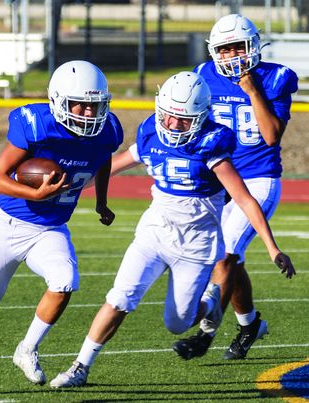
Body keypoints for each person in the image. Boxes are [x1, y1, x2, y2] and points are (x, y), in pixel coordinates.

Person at [48, 71, 295, 389]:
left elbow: (245, 200)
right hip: (154, 233)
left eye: (184, 119)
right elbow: (120, 161)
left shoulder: (212, 143)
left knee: (178, 323)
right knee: (120, 297)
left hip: (196, 244)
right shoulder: (151, 130)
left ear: (202, 116)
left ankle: (210, 306)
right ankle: (79, 367)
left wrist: (272, 247)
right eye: (170, 116)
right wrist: (75, 182)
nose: (174, 125)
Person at [0, 60, 123, 394]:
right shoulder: (38, 126)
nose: (88, 114)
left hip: (50, 229)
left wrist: (101, 201)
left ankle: (26, 348)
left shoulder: (108, 131)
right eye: (80, 105)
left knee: (65, 281)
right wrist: (35, 192)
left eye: (94, 106)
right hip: (8, 225)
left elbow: (104, 158)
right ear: (59, 101)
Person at [172, 14, 298, 361]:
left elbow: (272, 135)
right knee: (232, 260)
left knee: (224, 255)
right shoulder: (203, 75)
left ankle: (205, 333)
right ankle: (250, 324)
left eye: (236, 48)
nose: (231, 57)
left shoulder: (275, 77)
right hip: (218, 178)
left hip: (257, 178)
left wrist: (252, 91)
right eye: (224, 50)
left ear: (253, 46)